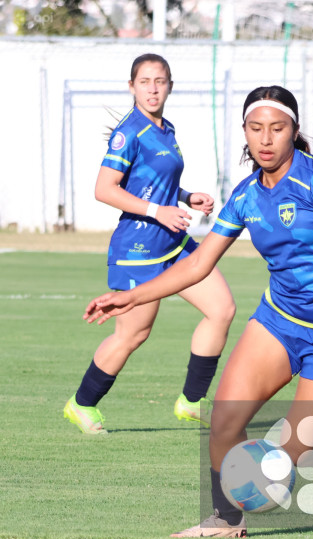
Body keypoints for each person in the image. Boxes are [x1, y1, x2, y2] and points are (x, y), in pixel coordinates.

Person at [84, 85, 313, 537]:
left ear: (294, 132)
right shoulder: (245, 195)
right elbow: (200, 263)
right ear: (244, 132)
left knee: (284, 460)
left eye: (277, 129)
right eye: (256, 128)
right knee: (224, 419)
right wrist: (132, 296)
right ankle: (226, 520)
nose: (265, 139)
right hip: (280, 321)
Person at [63, 54, 236, 435]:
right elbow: (104, 190)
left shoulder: (166, 128)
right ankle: (81, 404)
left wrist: (186, 197)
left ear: (170, 86)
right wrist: (159, 210)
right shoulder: (129, 133)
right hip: (137, 250)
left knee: (221, 310)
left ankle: (190, 402)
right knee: (132, 335)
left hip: (174, 243)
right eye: (145, 81)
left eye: (160, 81)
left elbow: (155, 182)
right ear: (132, 87)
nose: (153, 88)